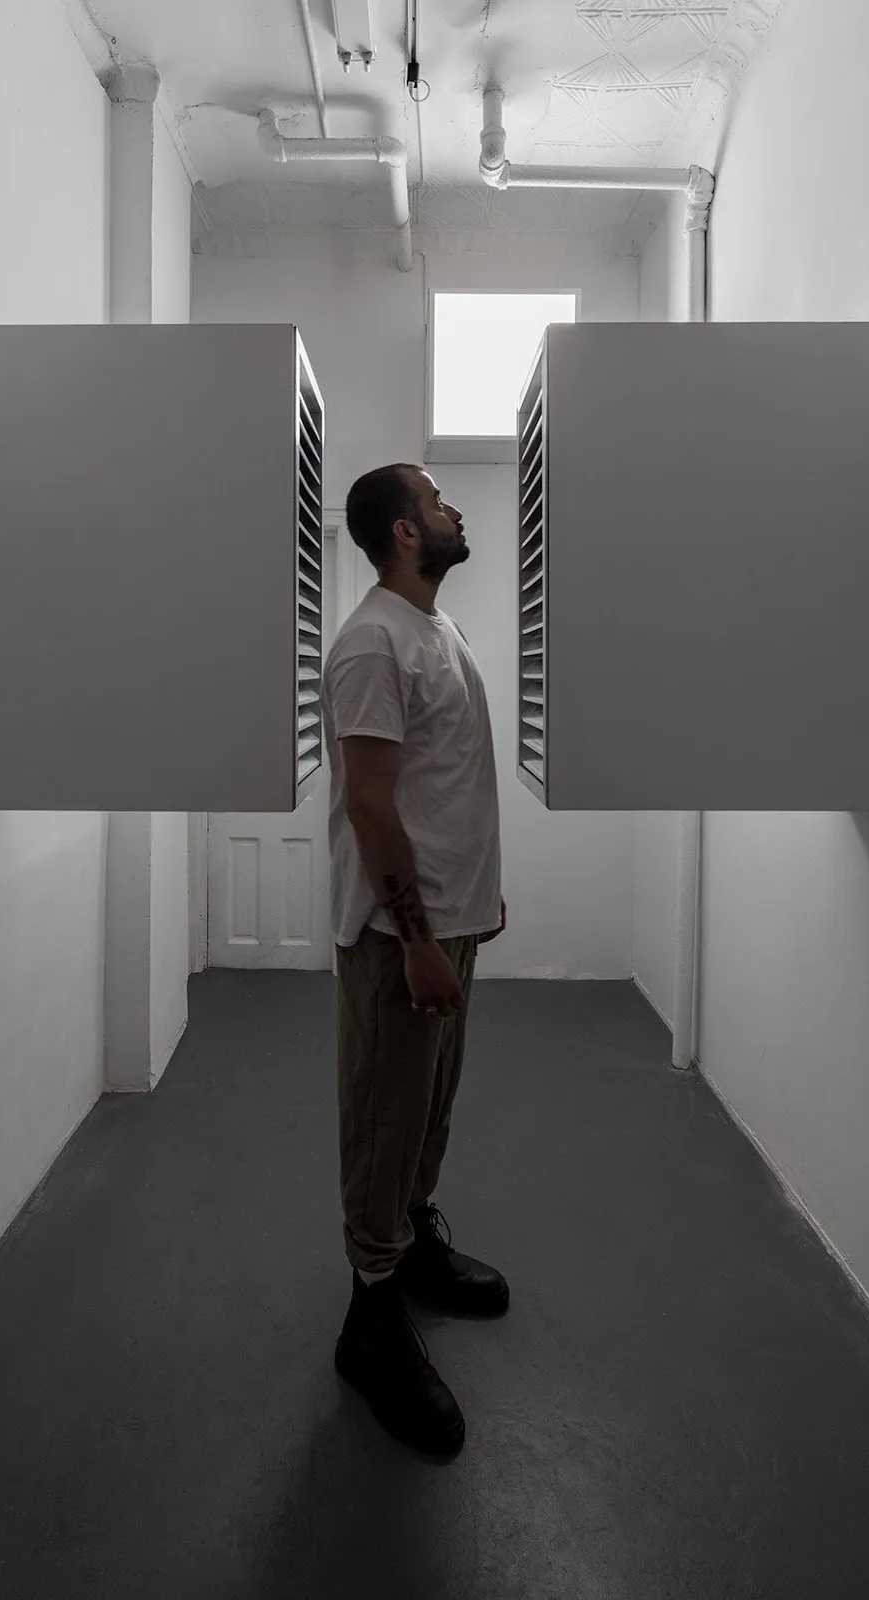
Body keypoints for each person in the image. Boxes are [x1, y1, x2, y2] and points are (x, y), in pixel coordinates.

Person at [320, 462, 508, 1456]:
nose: (455, 510)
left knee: (429, 1108)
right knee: (385, 1117)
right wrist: (422, 936)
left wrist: (476, 901)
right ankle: (370, 1313)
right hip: (404, 937)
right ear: (402, 530)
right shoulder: (370, 644)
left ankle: (410, 1243)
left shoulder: (437, 632)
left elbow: (447, 786)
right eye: (438, 501)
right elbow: (369, 801)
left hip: (450, 922)